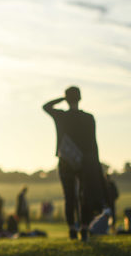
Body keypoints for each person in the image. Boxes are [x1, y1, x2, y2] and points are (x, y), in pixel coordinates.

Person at [43, 86, 106, 241]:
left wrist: (62, 99)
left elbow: (46, 106)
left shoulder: (61, 116)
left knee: (69, 196)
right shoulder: (88, 118)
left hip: (65, 159)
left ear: (67, 99)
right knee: (85, 195)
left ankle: (72, 229)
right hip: (85, 161)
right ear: (80, 98)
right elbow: (94, 143)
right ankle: (84, 229)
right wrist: (95, 164)